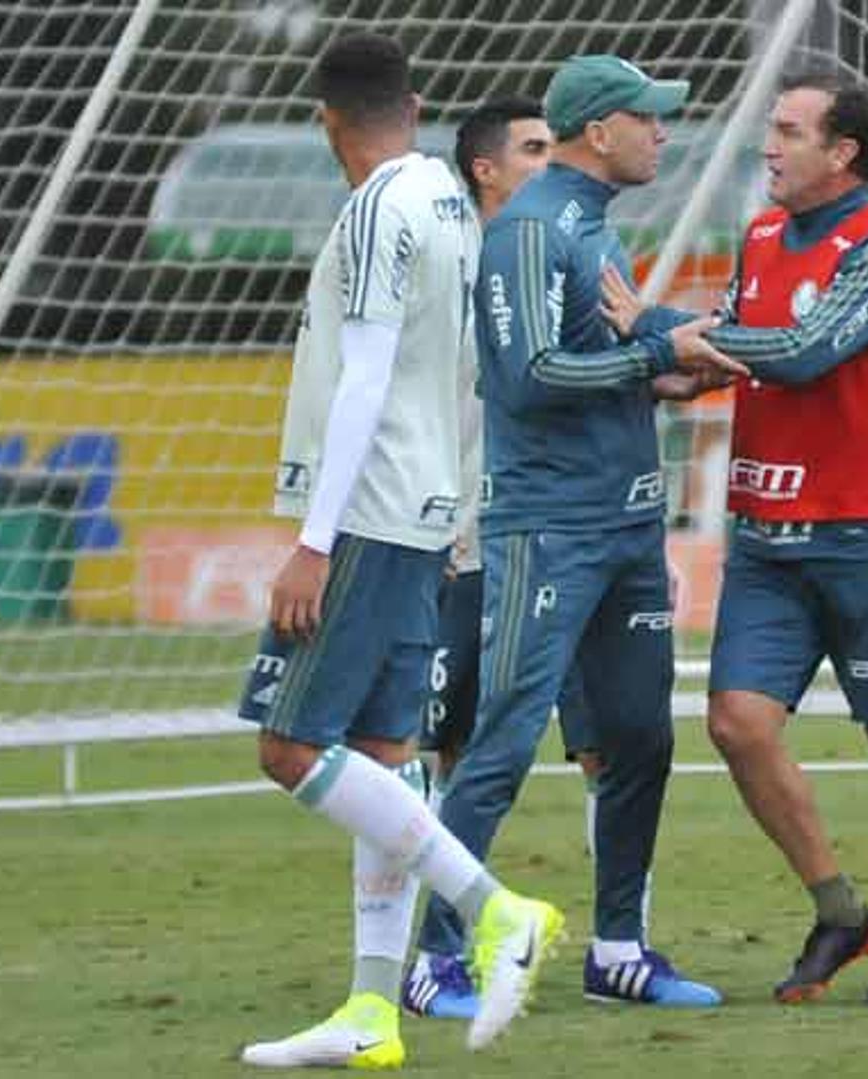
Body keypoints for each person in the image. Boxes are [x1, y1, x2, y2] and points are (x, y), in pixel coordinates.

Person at [232, 34, 563, 1066]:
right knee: (383, 757)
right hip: (425, 510)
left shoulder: (378, 207)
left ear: (326, 117)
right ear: (416, 107)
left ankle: (498, 906)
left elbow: (368, 375)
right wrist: (461, 511)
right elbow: (467, 374)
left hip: (367, 515)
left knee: (290, 747)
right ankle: (373, 1010)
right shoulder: (453, 210)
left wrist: (311, 542)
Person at [621, 69, 868, 1007]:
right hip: (768, 537)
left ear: (842, 153)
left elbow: (802, 353)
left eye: (790, 130)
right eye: (772, 127)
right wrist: (682, 373)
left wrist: (661, 329)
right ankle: (840, 910)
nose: (770, 145)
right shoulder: (763, 234)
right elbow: (742, 345)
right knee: (736, 722)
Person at [439, 53, 739, 1010]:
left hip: (625, 526)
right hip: (550, 530)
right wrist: (659, 346)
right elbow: (530, 374)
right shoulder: (530, 229)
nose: (664, 133)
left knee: (642, 737)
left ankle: (619, 949)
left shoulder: (593, 226)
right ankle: (433, 957)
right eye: (649, 119)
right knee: (505, 739)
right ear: (600, 131)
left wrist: (681, 363)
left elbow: (614, 355)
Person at [403, 94, 603, 1021]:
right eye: (532, 148)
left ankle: (620, 942)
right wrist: (437, 526)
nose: (548, 159)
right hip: (471, 544)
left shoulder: (567, 257)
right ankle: (427, 951)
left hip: (565, 533)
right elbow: (424, 415)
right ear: (485, 169)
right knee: (449, 746)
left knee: (607, 740)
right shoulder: (449, 272)